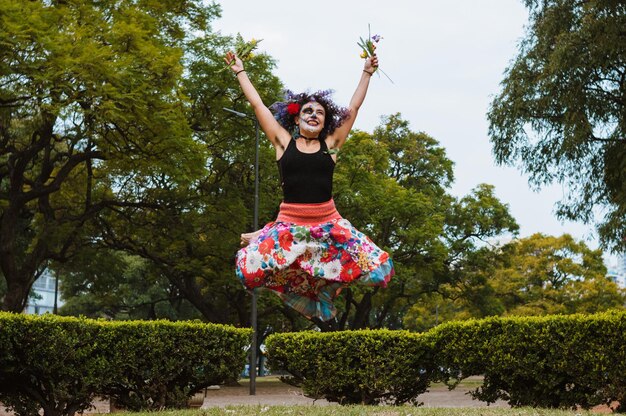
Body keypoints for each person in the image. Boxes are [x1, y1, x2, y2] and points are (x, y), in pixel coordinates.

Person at [226, 50, 394, 321]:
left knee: (373, 263)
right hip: (290, 224)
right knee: (250, 264)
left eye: (320, 113)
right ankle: (265, 238)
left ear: (326, 121)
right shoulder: (283, 143)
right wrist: (240, 72)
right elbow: (258, 106)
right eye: (308, 111)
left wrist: (366, 73)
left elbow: (353, 109)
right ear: (296, 118)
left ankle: (323, 290)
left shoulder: (331, 145)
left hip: (328, 222)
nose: (314, 115)